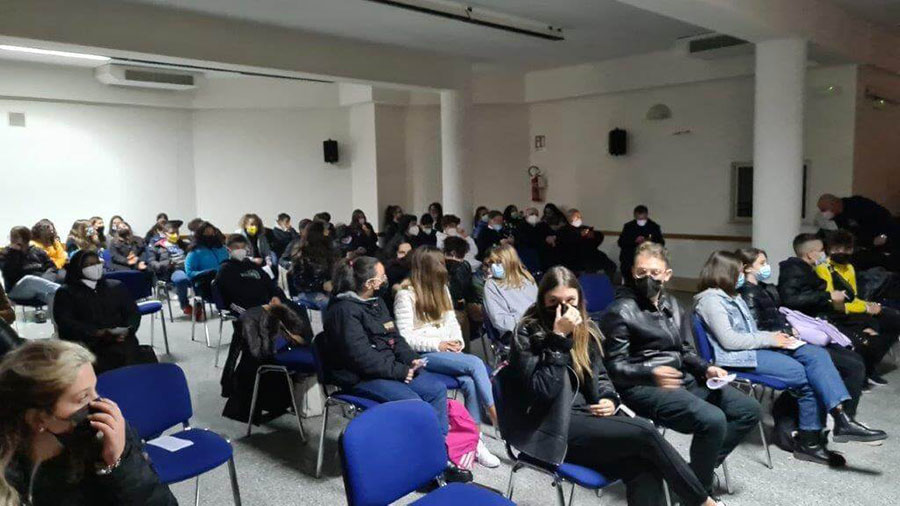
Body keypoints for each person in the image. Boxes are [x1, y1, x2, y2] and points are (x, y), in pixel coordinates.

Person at [500, 266, 724, 506]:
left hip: (586, 419)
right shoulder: (527, 332)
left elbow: (602, 377)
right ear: (542, 300)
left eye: (569, 301)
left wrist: (609, 399)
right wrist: (558, 339)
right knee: (645, 432)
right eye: (553, 302)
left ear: (579, 301)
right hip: (548, 425)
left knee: (644, 465)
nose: (562, 309)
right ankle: (703, 503)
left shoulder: (586, 330)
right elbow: (542, 393)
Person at [695, 250, 885, 465]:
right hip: (738, 357)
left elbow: (751, 331)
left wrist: (778, 336)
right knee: (807, 375)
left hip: (755, 347)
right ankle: (810, 441)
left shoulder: (732, 295)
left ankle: (841, 418)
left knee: (816, 354)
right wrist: (771, 339)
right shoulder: (711, 300)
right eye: (737, 271)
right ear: (724, 272)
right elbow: (730, 341)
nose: (741, 275)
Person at [599, 242, 758, 491]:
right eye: (641, 272)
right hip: (642, 386)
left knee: (748, 409)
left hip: (680, 378)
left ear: (667, 275)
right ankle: (696, 492)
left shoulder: (672, 305)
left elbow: (684, 350)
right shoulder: (620, 311)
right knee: (713, 420)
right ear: (632, 272)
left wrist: (706, 369)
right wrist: (652, 373)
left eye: (654, 272)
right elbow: (614, 368)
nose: (648, 278)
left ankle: (689, 476)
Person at [0, 340, 177, 505]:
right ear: (38, 418)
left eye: (95, 389)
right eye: (83, 397)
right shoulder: (8, 459)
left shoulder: (108, 435)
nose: (99, 403)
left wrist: (120, 463)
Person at [393, 247, 500, 467]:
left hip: (445, 352)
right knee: (476, 363)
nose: (445, 267)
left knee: (469, 381)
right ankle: (497, 417)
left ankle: (474, 441)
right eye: (440, 264)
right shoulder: (405, 295)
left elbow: (452, 323)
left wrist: (457, 342)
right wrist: (439, 343)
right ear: (427, 268)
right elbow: (405, 338)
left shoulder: (443, 290)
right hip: (422, 355)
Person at [321, 257, 449, 434]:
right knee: (414, 405)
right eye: (382, 276)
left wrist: (411, 359)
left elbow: (394, 337)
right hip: (360, 377)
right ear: (370, 283)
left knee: (436, 389)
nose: (385, 279)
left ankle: (439, 446)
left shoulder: (376, 302)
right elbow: (361, 357)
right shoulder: (343, 311)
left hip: (387, 369)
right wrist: (399, 371)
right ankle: (419, 450)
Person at [779, 233, 893, 385]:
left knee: (878, 325)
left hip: (826, 314)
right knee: (861, 345)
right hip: (817, 320)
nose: (824, 254)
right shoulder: (795, 270)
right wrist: (829, 296)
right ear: (811, 254)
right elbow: (791, 299)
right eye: (821, 250)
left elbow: (847, 296)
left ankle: (865, 372)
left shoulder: (806, 269)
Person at [814, 231, 900, 385]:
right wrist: (866, 308)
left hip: (854, 307)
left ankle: (870, 366)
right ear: (829, 249)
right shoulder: (824, 268)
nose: (841, 253)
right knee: (870, 328)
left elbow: (853, 297)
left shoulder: (849, 268)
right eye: (836, 248)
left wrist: (869, 306)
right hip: (835, 311)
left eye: (845, 249)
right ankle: (863, 370)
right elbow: (834, 300)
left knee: (893, 319)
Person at [53, 250, 145, 373]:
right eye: (89, 265)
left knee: (130, 358)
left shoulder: (116, 287)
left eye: (97, 263)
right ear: (78, 268)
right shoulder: (66, 293)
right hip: (88, 345)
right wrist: (97, 333)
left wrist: (128, 330)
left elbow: (133, 313)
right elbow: (66, 323)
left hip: (123, 340)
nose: (95, 267)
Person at [818, 193, 900, 271]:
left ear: (833, 204)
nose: (823, 213)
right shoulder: (838, 216)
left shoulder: (858, 204)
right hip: (866, 244)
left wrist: (884, 236)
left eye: (824, 210)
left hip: (884, 238)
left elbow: (885, 218)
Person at [0, 227, 60, 321]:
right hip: (17, 290)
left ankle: (58, 330)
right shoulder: (6, 254)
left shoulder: (38, 251)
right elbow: (9, 273)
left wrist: (46, 277)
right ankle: (65, 291)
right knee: (29, 279)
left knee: (52, 296)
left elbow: (52, 267)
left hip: (39, 287)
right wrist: (15, 252)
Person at [216, 234, 287, 311]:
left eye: (243, 247)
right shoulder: (225, 270)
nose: (240, 250)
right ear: (228, 249)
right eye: (236, 247)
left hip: (266, 303)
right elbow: (231, 297)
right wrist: (260, 307)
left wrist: (276, 296)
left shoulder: (252, 265)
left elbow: (269, 283)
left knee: (293, 309)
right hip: (246, 309)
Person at [482, 245, 537, 342]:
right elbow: (499, 320)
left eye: (498, 262)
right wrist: (527, 323)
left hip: (535, 327)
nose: (494, 266)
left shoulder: (527, 279)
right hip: (515, 333)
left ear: (509, 262)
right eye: (492, 263)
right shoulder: (491, 284)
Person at [286, 221, 336, 310]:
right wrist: (322, 285)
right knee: (330, 305)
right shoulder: (302, 253)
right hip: (308, 292)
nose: (328, 233)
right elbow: (299, 282)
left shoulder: (328, 250)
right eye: (325, 231)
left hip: (327, 290)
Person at [145, 223, 191, 317]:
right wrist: (167, 264)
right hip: (171, 271)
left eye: (177, 232)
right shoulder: (157, 246)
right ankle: (185, 304)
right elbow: (152, 263)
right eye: (172, 233)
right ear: (165, 234)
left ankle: (201, 301)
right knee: (181, 279)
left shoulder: (182, 244)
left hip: (188, 268)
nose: (175, 235)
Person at [184, 222, 229, 321]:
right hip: (205, 285)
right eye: (206, 233)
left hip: (225, 281)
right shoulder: (195, 252)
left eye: (212, 233)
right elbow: (190, 273)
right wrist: (207, 272)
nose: (210, 236)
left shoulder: (222, 249)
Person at [558, 209, 615, 276]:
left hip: (591, 255)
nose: (579, 219)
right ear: (569, 218)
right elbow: (567, 242)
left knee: (611, 266)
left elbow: (598, 237)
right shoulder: (564, 230)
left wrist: (593, 235)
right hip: (575, 259)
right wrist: (580, 235)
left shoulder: (584, 228)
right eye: (577, 217)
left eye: (580, 217)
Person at [618, 205, 665, 284]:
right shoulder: (629, 226)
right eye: (638, 219)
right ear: (635, 215)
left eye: (642, 219)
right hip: (630, 257)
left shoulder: (653, 227)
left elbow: (661, 243)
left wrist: (649, 241)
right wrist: (634, 241)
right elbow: (621, 242)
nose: (640, 221)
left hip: (648, 257)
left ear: (646, 215)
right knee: (628, 270)